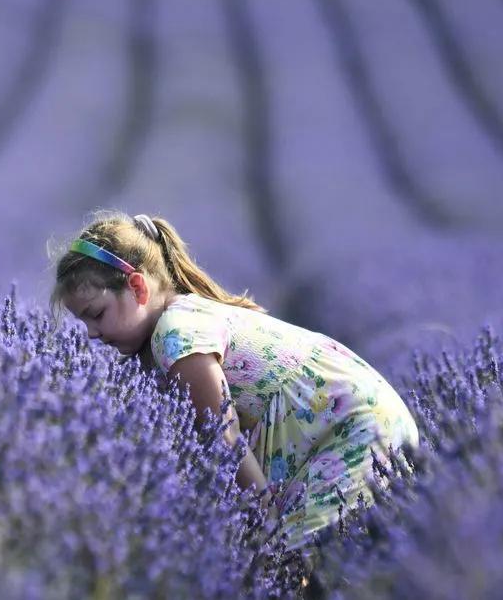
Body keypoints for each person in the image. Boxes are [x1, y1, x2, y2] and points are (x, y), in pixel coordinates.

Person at [48, 210, 420, 554]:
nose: (91, 334)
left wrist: (266, 531)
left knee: (300, 563)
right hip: (351, 419)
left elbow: (223, 440)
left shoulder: (176, 336)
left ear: (138, 287)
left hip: (353, 426)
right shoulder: (181, 320)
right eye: (83, 322)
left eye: (96, 314)